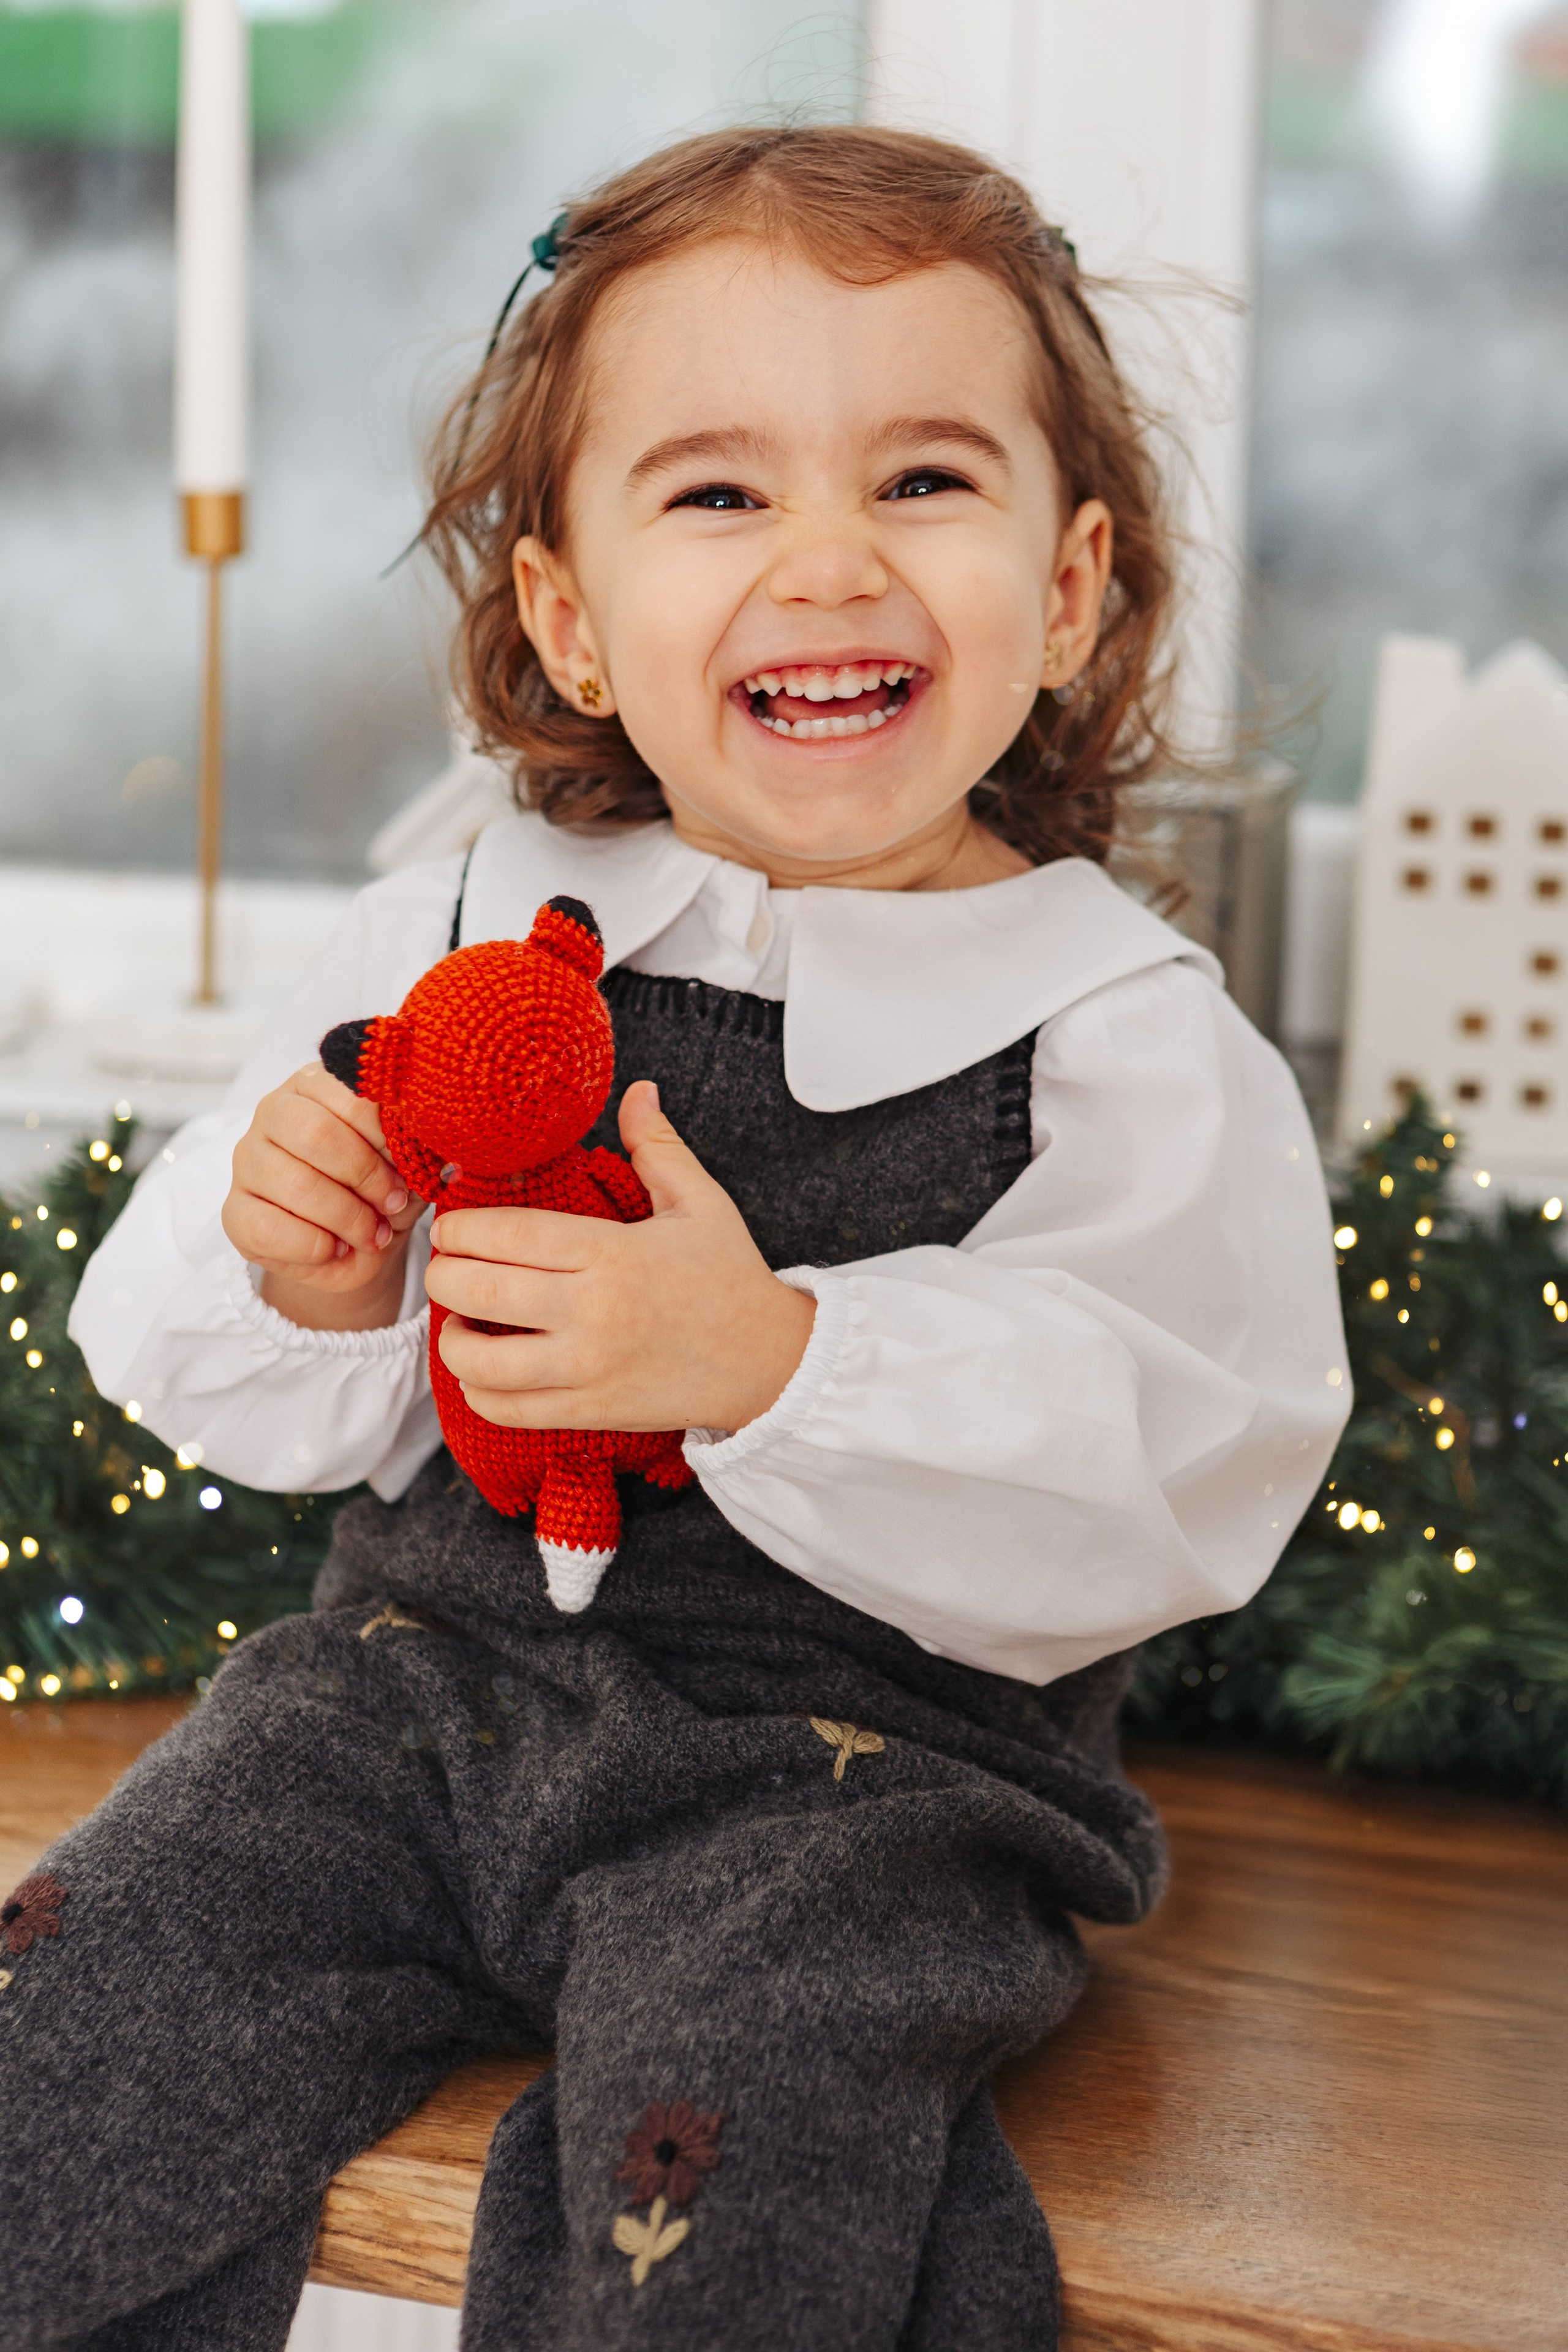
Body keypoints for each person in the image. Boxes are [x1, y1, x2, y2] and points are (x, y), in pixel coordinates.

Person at [7, 126, 1348, 2350]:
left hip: (854, 1787)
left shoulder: (1118, 1031)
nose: (829, 559)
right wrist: (316, 1272)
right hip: (412, 1701)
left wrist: (775, 1361)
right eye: (720, 493)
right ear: (569, 616)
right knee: (72, 2019)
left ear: (1073, 584)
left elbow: (1184, 1463)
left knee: (732, 2185)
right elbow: (224, 1354)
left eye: (923, 478)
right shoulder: (460, 919)